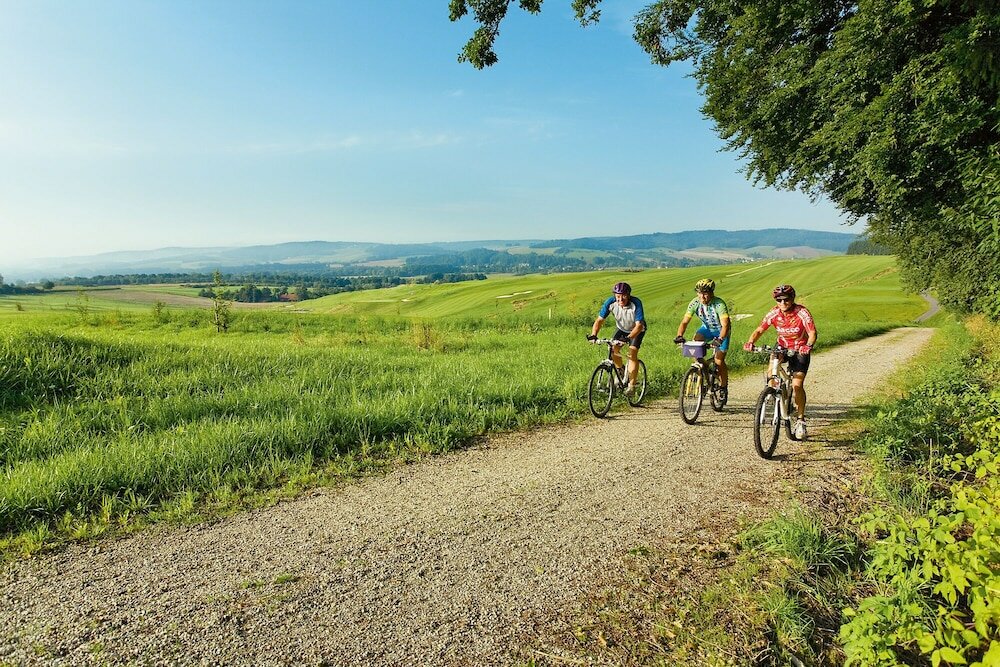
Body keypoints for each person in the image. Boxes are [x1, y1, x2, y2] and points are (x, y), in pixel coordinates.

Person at [743, 284, 818, 439]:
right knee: (772, 372)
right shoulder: (774, 313)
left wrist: (808, 345)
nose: (783, 303)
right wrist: (750, 342)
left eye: (786, 299)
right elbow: (759, 330)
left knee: (797, 385)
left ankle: (801, 420)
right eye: (779, 300)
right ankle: (772, 394)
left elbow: (811, 332)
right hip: (782, 346)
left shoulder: (801, 312)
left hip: (799, 349)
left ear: (792, 298)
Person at [673, 278, 731, 404]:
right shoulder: (694, 303)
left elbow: (725, 325)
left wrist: (720, 339)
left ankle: (723, 387)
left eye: (705, 293)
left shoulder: (719, 304)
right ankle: (703, 370)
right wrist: (679, 335)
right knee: (695, 346)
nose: (702, 296)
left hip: (721, 331)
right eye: (699, 293)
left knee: (719, 360)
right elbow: (684, 321)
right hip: (707, 329)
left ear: (711, 293)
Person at [587, 281, 646, 395]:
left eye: (623, 296)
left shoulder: (636, 303)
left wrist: (628, 338)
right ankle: (621, 370)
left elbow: (639, 325)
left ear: (628, 295)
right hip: (621, 328)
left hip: (636, 330)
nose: (621, 299)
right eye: (618, 296)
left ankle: (632, 386)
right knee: (613, 349)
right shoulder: (610, 302)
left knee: (632, 353)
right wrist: (594, 334)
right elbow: (599, 320)